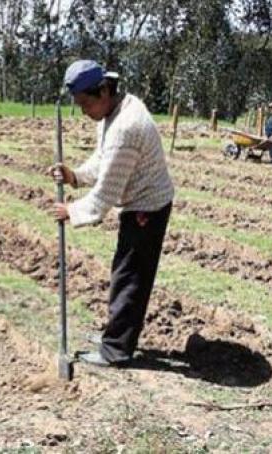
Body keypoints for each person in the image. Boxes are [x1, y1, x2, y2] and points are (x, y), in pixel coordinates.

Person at [48, 60, 174, 367]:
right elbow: (104, 159)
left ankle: (115, 349)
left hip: (148, 206)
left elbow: (106, 195)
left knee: (130, 277)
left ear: (104, 90)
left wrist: (71, 210)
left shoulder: (126, 127)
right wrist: (75, 176)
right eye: (78, 105)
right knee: (125, 271)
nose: (84, 112)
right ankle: (115, 335)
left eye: (86, 104)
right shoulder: (117, 110)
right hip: (139, 201)